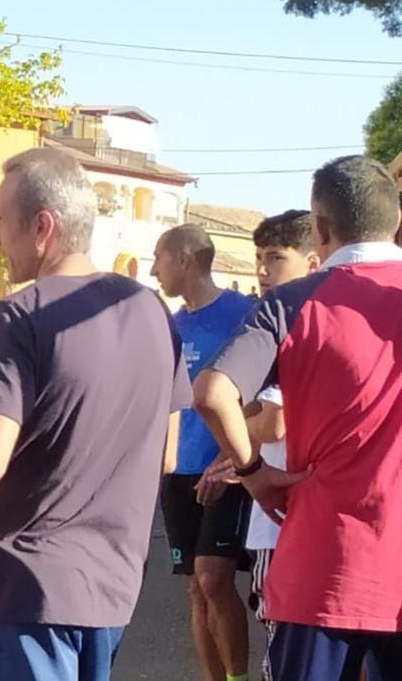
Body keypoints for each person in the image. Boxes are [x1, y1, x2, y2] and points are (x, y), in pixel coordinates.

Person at [0, 147, 191, 681]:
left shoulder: (19, 316)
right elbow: (168, 455)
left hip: (23, 589)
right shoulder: (152, 311)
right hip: (111, 589)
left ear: (42, 226)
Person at [195, 156, 402, 681]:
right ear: (395, 221)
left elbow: (213, 394)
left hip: (319, 569)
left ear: (321, 229)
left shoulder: (290, 302)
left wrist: (252, 472)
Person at [204, 210, 320, 681]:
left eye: (276, 257)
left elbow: (270, 419)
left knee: (286, 636)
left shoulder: (286, 317)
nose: (262, 270)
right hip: (314, 504)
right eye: (258, 258)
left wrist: (238, 438)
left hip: (281, 509)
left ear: (313, 261)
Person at [150, 224, 256, 681]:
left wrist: (235, 455)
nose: (154, 270)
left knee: (215, 578)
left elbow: (264, 387)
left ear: (186, 260)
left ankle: (238, 678)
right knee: (197, 589)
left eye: (159, 258)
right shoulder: (169, 326)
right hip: (179, 471)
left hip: (229, 468)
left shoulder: (245, 313)